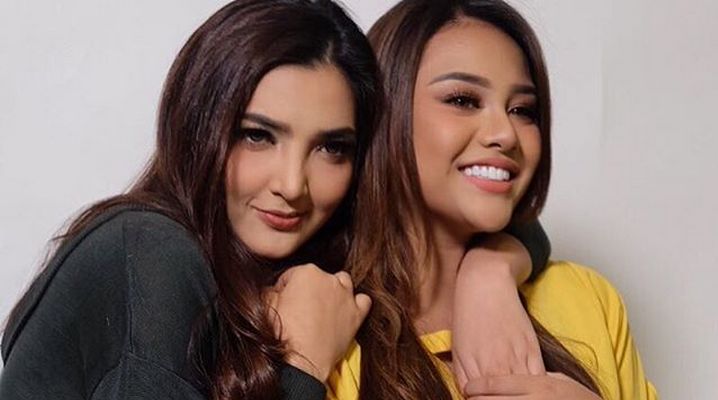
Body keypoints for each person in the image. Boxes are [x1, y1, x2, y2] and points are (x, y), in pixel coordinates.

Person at [0, 1, 551, 399]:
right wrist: (303, 362)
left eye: (332, 148)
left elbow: (504, 219)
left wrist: (488, 272)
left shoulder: (295, 262)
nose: (293, 184)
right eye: (258, 135)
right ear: (197, 127)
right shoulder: (148, 252)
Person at [321, 1, 659, 399]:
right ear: (384, 111)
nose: (506, 133)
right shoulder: (320, 321)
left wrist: (490, 270)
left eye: (523, 110)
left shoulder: (586, 297)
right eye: (463, 100)